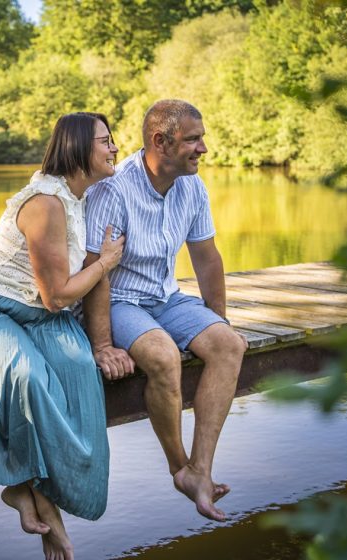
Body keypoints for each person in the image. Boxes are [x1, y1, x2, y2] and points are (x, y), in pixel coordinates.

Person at [0, 112, 122, 560]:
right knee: (27, 375)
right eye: (105, 141)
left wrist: (102, 342)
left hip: (33, 314)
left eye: (113, 141)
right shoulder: (46, 203)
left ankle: (43, 486)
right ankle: (33, 495)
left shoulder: (80, 196)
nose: (114, 148)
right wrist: (106, 262)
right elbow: (57, 297)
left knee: (78, 372)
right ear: (77, 149)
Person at [82, 99, 248, 522]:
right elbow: (94, 272)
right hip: (118, 297)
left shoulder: (192, 185)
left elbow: (207, 258)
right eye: (193, 140)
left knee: (229, 345)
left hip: (166, 296)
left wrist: (215, 321)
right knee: (162, 355)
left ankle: (202, 469)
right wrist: (101, 343)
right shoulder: (113, 190)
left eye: (201, 138)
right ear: (161, 141)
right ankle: (180, 468)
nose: (203, 149)